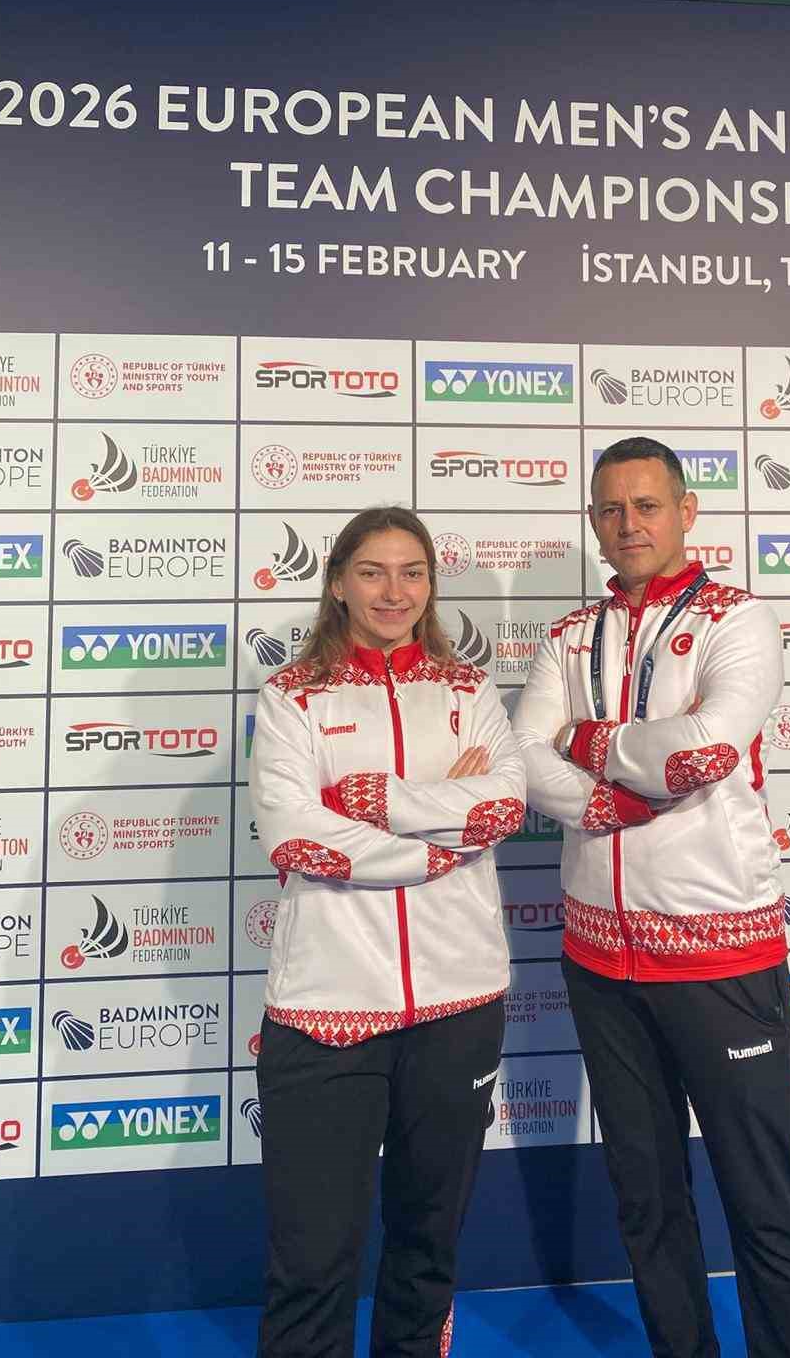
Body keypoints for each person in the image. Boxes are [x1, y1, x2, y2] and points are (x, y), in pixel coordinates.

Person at [512, 437, 790, 1358]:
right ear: (593, 522)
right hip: (599, 959)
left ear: (686, 512)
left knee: (761, 1192)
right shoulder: (569, 635)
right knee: (646, 1196)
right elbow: (520, 758)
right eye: (612, 509)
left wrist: (585, 739)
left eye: (648, 505)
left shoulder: (740, 619)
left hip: (719, 951)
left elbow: (704, 750)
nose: (630, 524)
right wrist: (602, 797)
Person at [250, 506, 526, 1358]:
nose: (394, 591)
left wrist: (374, 802)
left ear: (431, 585)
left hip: (459, 1001)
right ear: (338, 582)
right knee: (312, 1259)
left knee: (427, 1245)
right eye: (372, 571)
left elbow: (503, 807)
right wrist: (440, 838)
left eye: (413, 573)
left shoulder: (468, 690)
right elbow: (294, 834)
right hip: (327, 1004)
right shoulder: (291, 696)